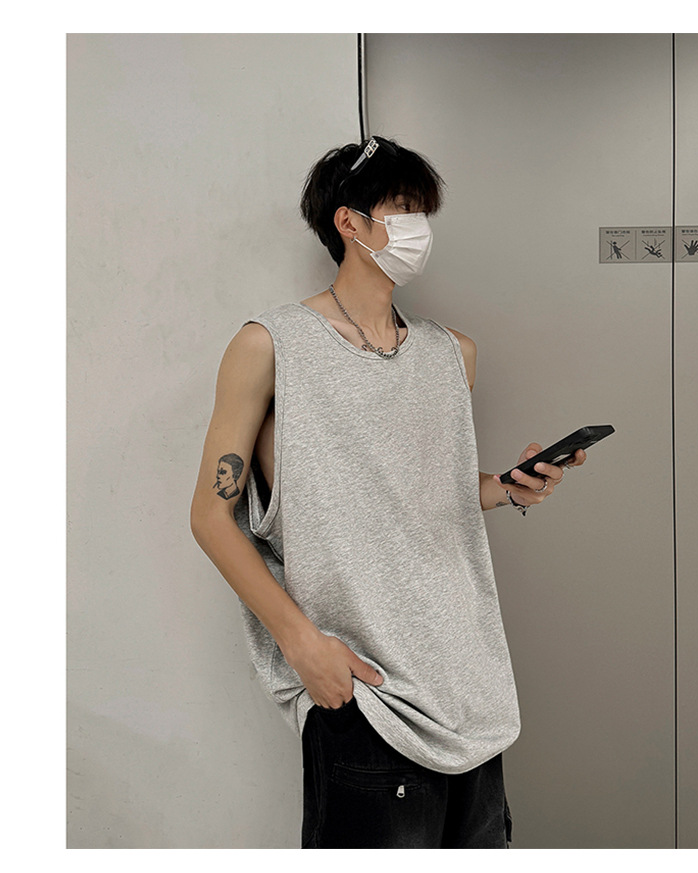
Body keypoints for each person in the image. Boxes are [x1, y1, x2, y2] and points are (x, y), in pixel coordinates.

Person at [190, 136, 586, 849]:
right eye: (404, 209)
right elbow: (211, 516)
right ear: (349, 222)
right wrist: (303, 646)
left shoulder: (452, 353)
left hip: (471, 687)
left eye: (423, 212)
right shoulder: (270, 345)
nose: (419, 228)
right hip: (365, 691)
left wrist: (511, 488)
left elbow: (421, 491)